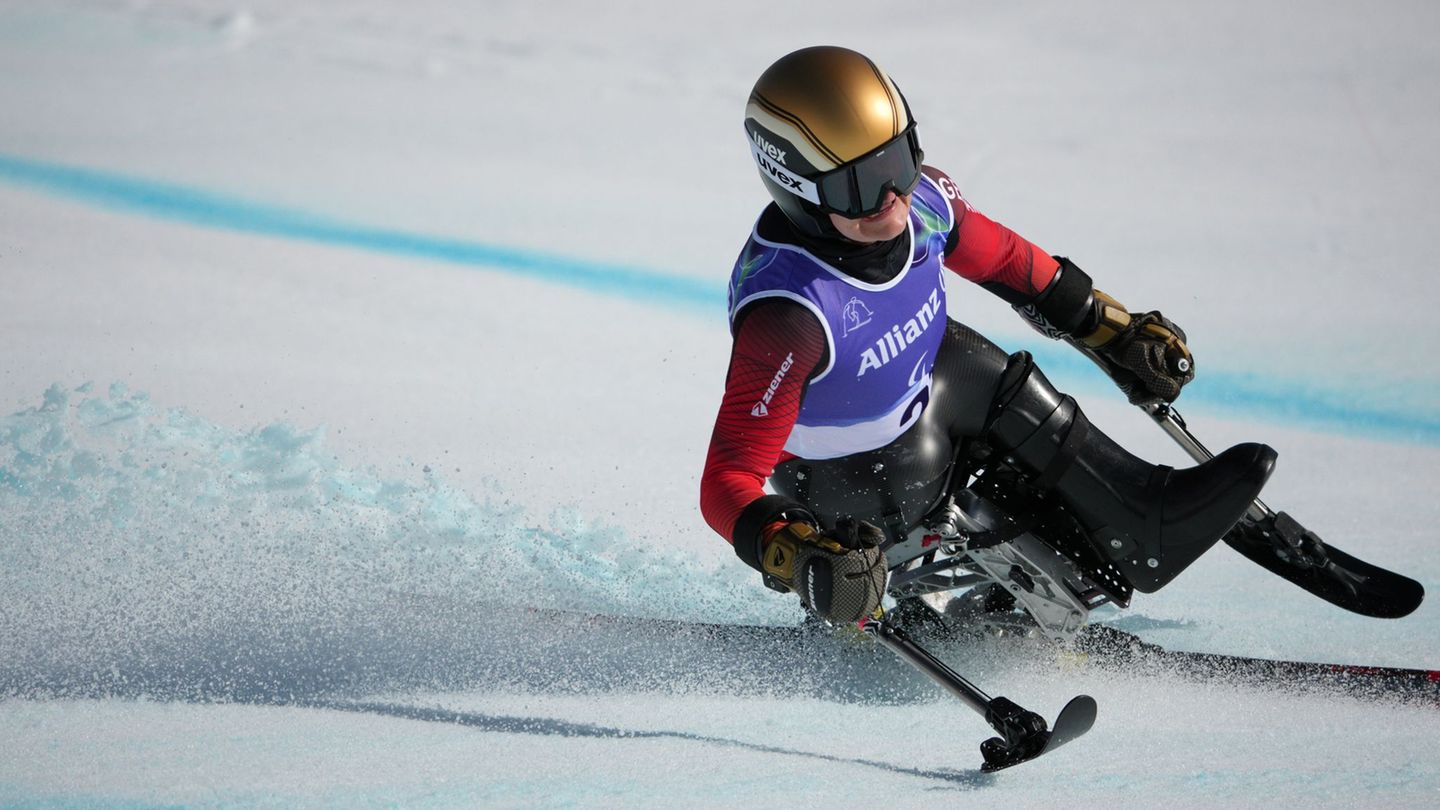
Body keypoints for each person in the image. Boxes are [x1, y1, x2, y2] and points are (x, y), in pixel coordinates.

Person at [699, 46, 1277, 625]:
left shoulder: (923, 202)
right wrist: (796, 551)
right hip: (854, 489)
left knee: (978, 362)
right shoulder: (790, 315)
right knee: (958, 357)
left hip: (925, 407)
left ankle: (1139, 521)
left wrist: (1110, 328)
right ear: (797, 187)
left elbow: (1005, 260)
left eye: (899, 161)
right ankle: (910, 580)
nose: (893, 197)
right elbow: (728, 478)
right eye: (862, 185)